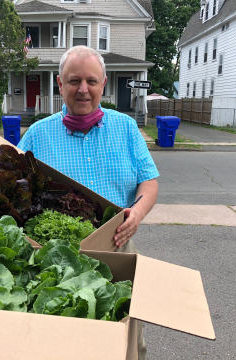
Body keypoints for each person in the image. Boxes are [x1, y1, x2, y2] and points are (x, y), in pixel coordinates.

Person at [17, 46, 159, 359]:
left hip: (117, 247)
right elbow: (16, 192)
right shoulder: (37, 135)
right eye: (74, 81)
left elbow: (149, 181)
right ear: (59, 84)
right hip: (55, 258)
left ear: (103, 84)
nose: (83, 89)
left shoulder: (125, 128)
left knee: (128, 340)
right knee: (65, 340)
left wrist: (137, 213)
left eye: (91, 81)